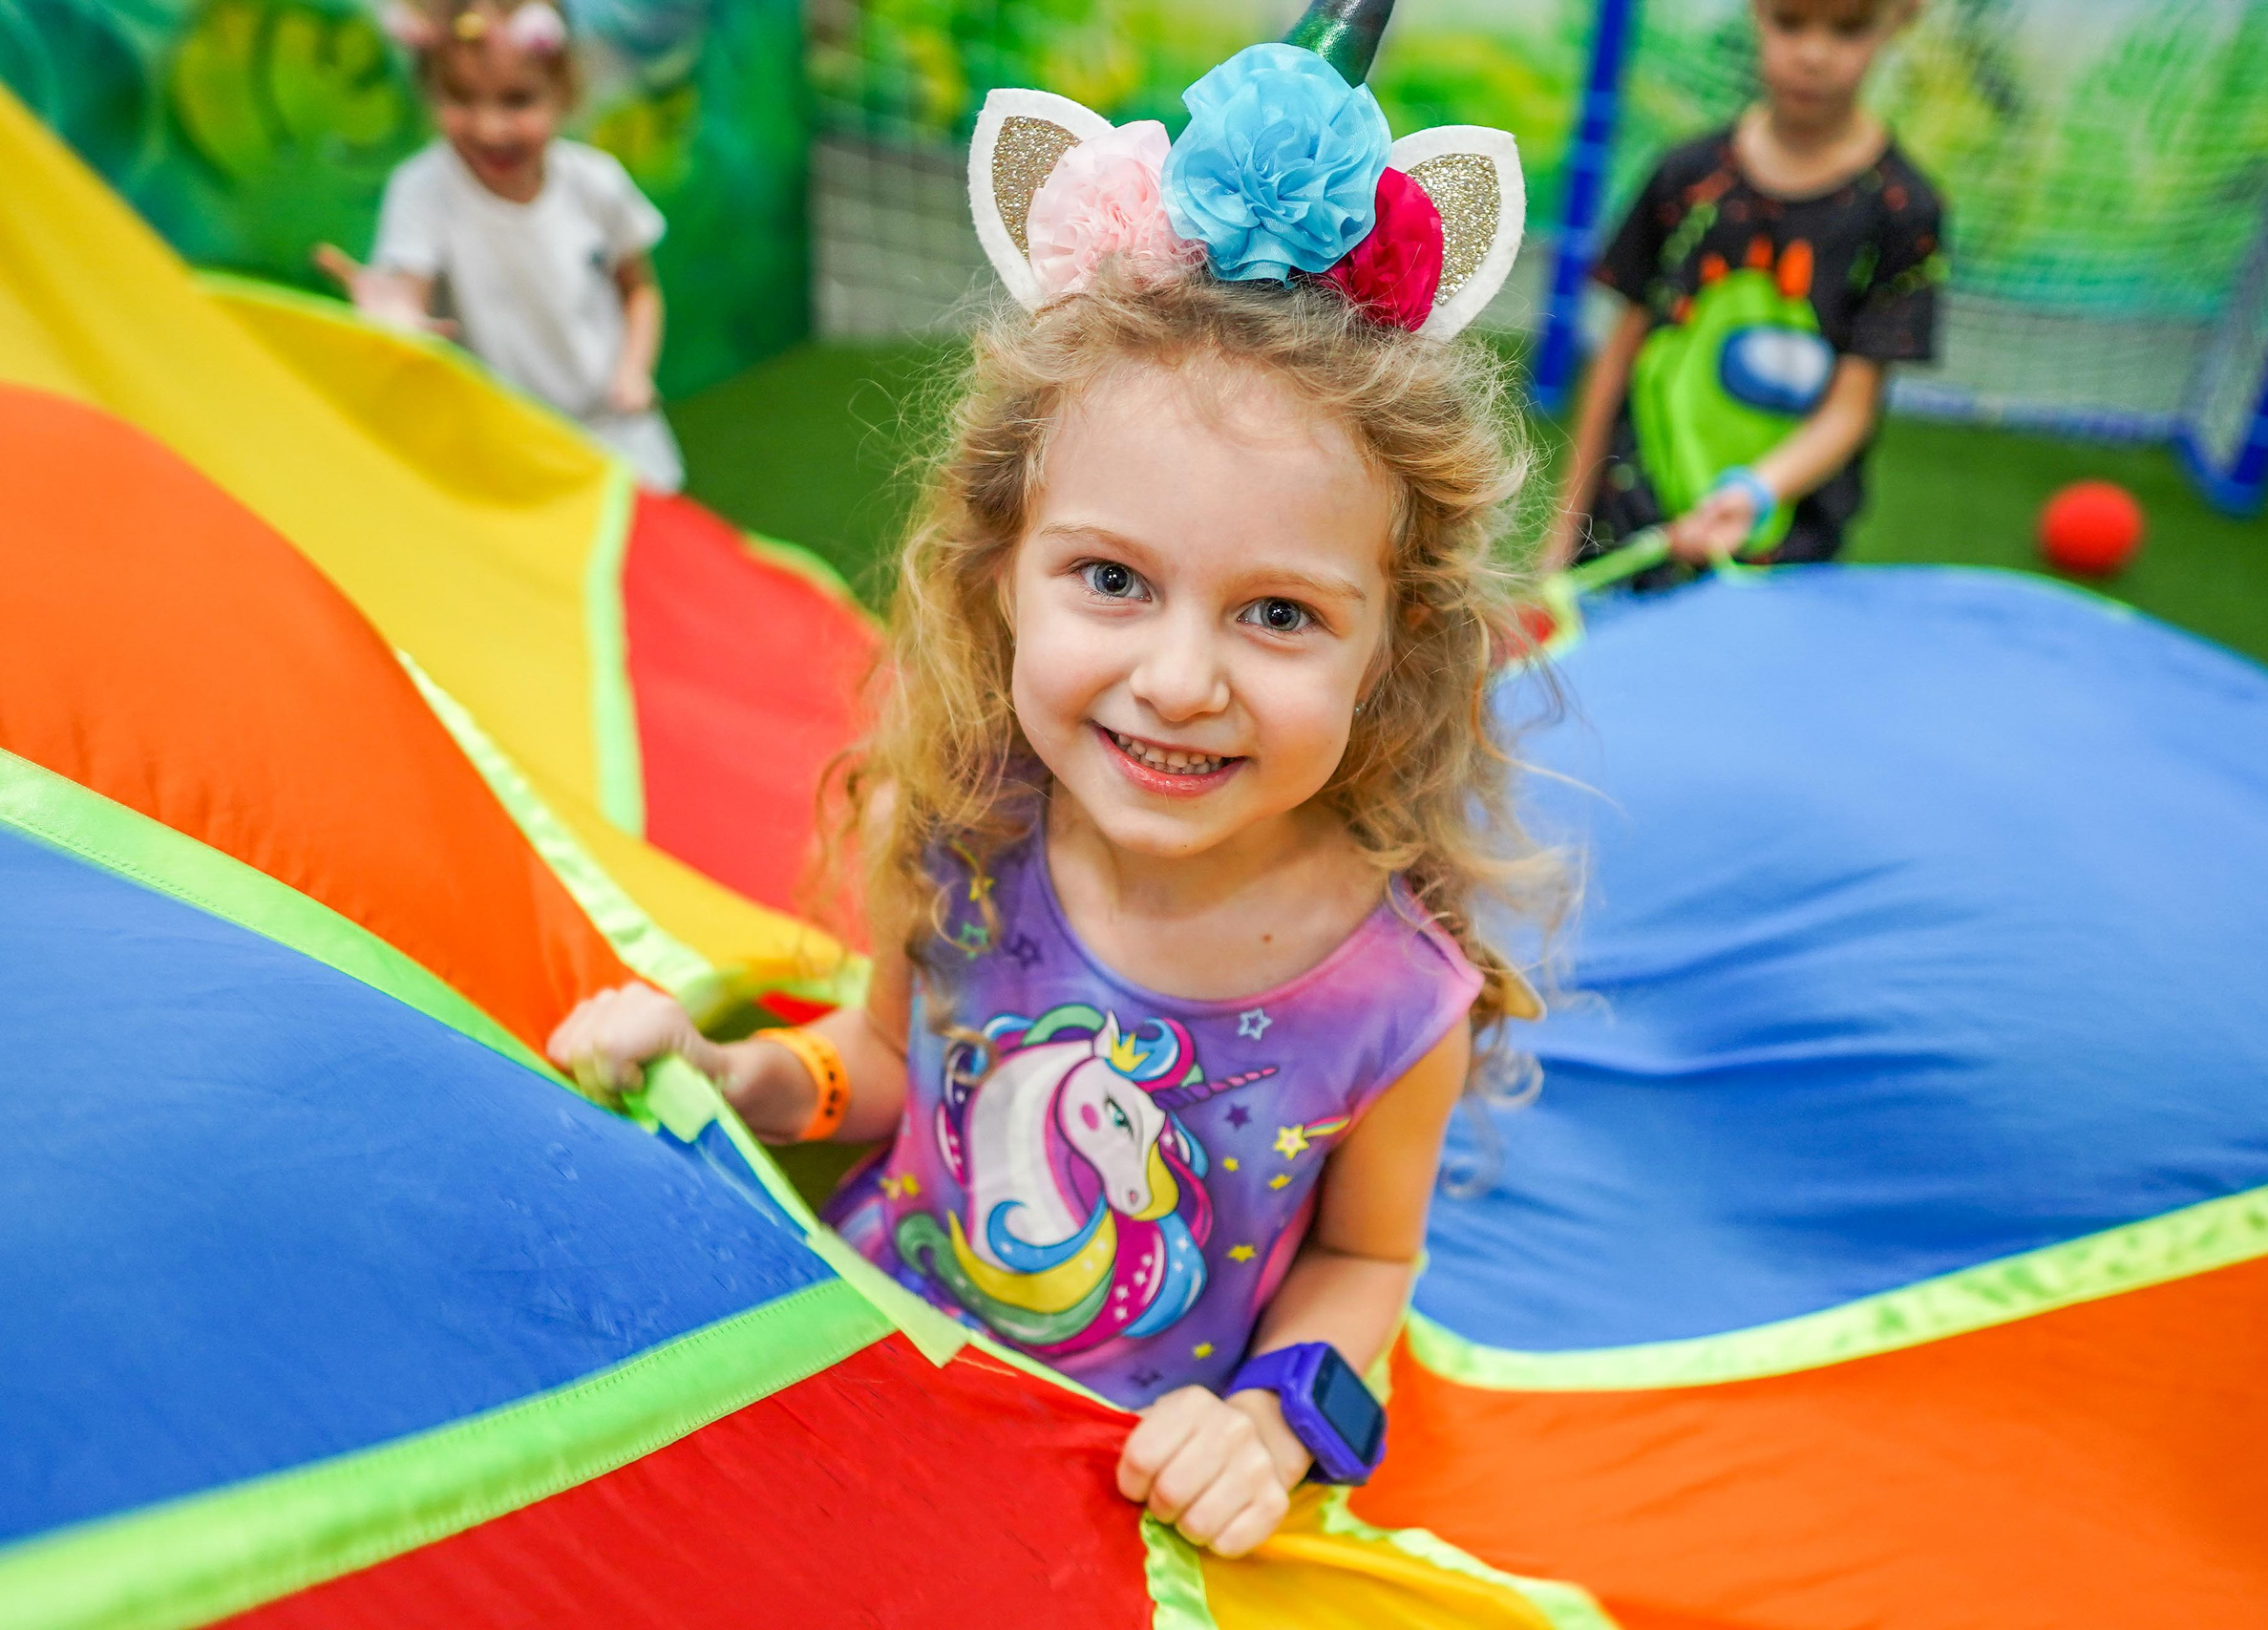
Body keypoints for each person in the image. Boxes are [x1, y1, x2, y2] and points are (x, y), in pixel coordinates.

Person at [549, 12, 1550, 1559]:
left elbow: (1365, 1264)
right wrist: (745, 1077)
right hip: (861, 1382)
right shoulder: (954, 828)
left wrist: (1276, 1423)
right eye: (1111, 580)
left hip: (1111, 1509)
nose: (1178, 679)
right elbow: (883, 1068)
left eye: (1277, 613)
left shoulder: (1396, 998)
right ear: (1003, 571)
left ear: (1393, 644)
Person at [1539, 0, 1944, 580]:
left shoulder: (1904, 210)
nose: (1812, 54)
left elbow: (1852, 408)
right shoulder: (1684, 176)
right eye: (1788, 21)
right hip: (1626, 535)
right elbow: (1615, 359)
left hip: (1782, 561)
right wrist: (1560, 538)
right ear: (1756, 13)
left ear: (1899, 20)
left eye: (1848, 29)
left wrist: (1757, 490)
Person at [315, 0, 685, 491]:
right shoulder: (423, 189)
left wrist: (633, 372)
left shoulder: (595, 183)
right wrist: (396, 316)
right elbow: (410, 293)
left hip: (616, 440)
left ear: (564, 91)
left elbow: (639, 291)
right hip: (504, 456)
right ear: (429, 93)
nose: (489, 128)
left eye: (517, 100)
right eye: (461, 98)